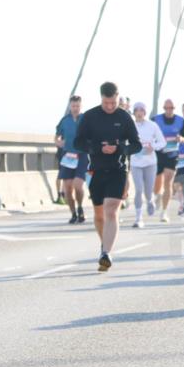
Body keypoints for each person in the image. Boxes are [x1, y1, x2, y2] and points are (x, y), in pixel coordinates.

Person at [74, 81, 141, 271]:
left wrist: (119, 148)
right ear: (101, 98)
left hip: (118, 170)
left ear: (118, 98)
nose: (110, 106)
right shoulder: (90, 116)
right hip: (95, 170)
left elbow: (136, 145)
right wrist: (97, 148)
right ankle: (104, 244)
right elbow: (78, 142)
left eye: (113, 103)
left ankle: (106, 253)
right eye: (106, 103)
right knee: (99, 215)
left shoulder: (125, 117)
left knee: (111, 210)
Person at [129, 102, 166, 228]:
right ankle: (138, 218)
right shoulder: (130, 125)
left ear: (145, 112)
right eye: (137, 110)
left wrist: (153, 147)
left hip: (150, 163)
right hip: (135, 162)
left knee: (148, 192)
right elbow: (124, 141)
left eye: (141, 110)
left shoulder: (152, 125)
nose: (139, 113)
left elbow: (163, 142)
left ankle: (150, 201)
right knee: (138, 189)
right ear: (134, 112)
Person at [152, 99, 184, 222]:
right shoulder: (155, 119)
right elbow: (149, 134)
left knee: (168, 181)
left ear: (174, 108)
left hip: (172, 154)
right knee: (157, 184)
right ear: (163, 108)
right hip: (158, 154)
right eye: (166, 108)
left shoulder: (180, 121)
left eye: (171, 108)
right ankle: (157, 196)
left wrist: (181, 139)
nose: (168, 110)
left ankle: (164, 212)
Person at [55, 95, 87, 224]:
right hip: (68, 156)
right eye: (73, 106)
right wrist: (58, 142)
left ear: (81, 106)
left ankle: (80, 207)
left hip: (82, 155)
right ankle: (73, 213)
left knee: (78, 185)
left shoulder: (85, 119)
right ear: (70, 106)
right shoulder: (64, 120)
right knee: (68, 188)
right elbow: (56, 137)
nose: (75, 108)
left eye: (78, 106)